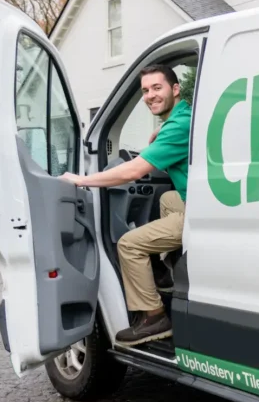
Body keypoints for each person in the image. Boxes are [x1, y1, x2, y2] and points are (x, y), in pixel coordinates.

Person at [60, 63, 191, 346]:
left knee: (130, 245)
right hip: (194, 203)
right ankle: (167, 271)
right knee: (168, 198)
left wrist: (82, 180)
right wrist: (161, 136)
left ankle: (155, 317)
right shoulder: (183, 119)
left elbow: (133, 172)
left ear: (175, 89)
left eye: (157, 87)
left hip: (201, 212)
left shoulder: (179, 125)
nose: (150, 95)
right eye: (145, 90)